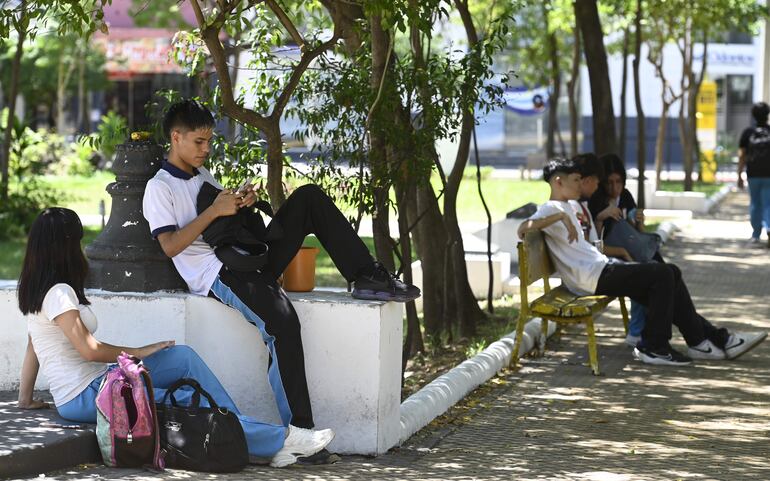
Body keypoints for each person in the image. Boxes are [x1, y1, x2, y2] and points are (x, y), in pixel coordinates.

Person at [141, 99, 420, 463]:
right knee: (283, 324)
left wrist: (240, 203)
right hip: (219, 273)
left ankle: (366, 276)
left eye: (210, 141)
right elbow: (170, 246)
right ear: (175, 138)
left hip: (245, 255)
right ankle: (302, 435)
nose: (206, 149)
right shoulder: (159, 188)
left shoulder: (203, 177)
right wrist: (214, 210)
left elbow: (221, 223)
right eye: (199, 141)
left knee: (308, 198)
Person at [16, 208, 333, 468]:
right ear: (66, 245)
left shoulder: (40, 289)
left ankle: (238, 435)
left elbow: (34, 346)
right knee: (180, 397)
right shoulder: (58, 293)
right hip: (85, 395)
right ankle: (282, 440)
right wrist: (139, 351)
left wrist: (25, 398)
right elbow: (88, 349)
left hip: (94, 384)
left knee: (182, 358)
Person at [517, 157, 766, 366]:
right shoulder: (551, 208)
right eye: (574, 180)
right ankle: (657, 345)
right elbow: (523, 228)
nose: (580, 184)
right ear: (558, 181)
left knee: (670, 275)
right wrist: (559, 216)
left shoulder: (569, 205)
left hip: (600, 268)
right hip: (591, 277)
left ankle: (704, 340)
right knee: (663, 274)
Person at [585, 153, 660, 347]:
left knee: (659, 271)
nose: (614, 188)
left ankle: (648, 331)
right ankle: (637, 332)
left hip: (630, 252)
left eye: (618, 182)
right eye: (609, 182)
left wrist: (639, 222)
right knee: (644, 277)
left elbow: (636, 233)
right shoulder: (595, 201)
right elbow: (596, 245)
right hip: (607, 259)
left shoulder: (625, 196)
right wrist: (601, 217)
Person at [738, 101, 770, 247]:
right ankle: (769, 228)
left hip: (753, 174)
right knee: (768, 204)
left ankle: (756, 235)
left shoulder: (748, 133)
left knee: (755, 204)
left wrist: (739, 174)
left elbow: (742, 155)